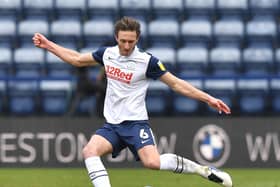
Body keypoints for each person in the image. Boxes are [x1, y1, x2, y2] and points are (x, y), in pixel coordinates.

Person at [33, 17, 233, 187]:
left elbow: (176, 84)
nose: (127, 46)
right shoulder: (107, 54)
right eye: (123, 41)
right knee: (89, 151)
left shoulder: (148, 62)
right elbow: (76, 59)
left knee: (152, 163)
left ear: (137, 39)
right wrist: (48, 45)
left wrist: (208, 99)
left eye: (131, 41)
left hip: (136, 124)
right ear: (116, 38)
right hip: (112, 125)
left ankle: (201, 169)